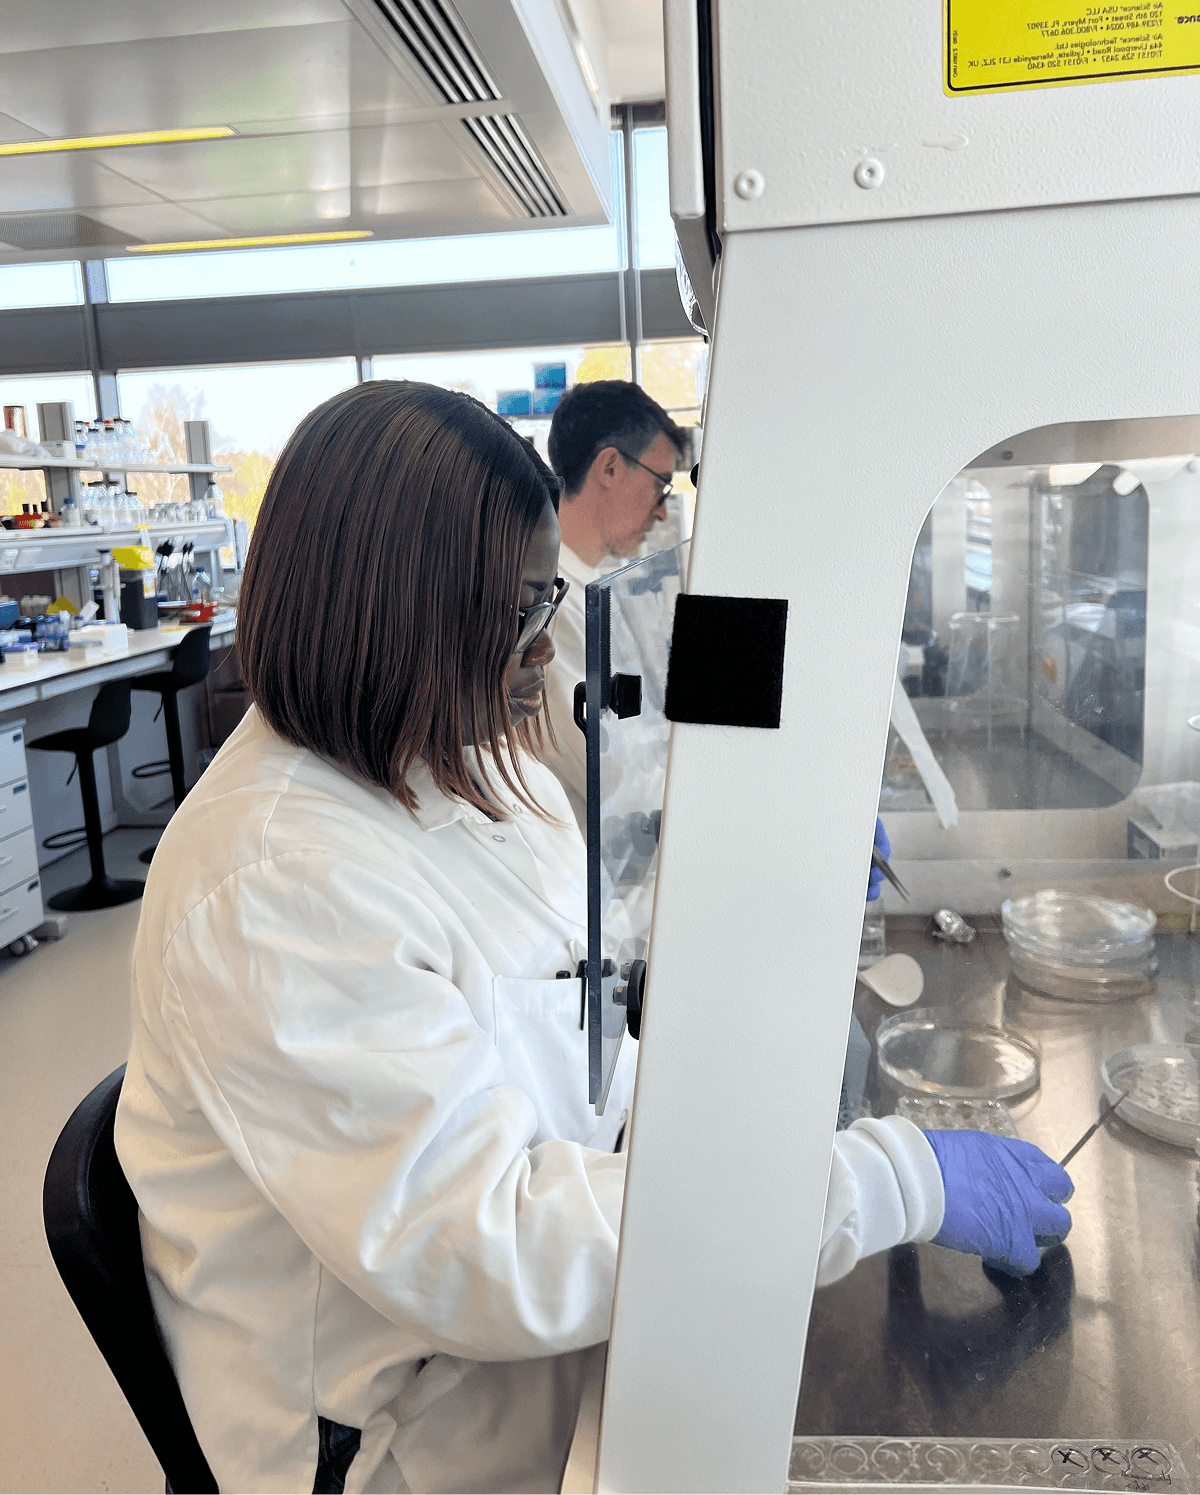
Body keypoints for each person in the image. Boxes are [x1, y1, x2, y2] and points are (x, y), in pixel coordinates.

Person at [114, 381, 1074, 1495]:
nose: (542, 645)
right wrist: (890, 1180)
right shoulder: (272, 881)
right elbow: (491, 1249)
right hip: (415, 1442)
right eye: (522, 611)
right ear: (403, 614)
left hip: (538, 1364)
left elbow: (582, 1015)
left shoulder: (466, 767)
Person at [539, 380, 688, 829]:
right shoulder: (555, 606)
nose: (662, 511)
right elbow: (611, 772)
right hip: (598, 865)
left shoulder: (594, 589)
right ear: (609, 467)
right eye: (661, 485)